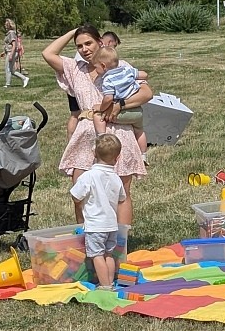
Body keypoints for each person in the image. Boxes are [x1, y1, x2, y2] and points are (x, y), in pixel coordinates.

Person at [43, 25, 150, 226]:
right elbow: (48, 53)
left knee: (121, 192)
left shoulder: (119, 65)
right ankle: (87, 239)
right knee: (79, 191)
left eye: (88, 43)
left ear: (100, 42)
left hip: (118, 133)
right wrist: (73, 31)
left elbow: (147, 94)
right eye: (79, 45)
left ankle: (120, 243)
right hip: (87, 135)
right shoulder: (74, 69)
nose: (84, 49)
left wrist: (121, 104)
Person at [69, 133, 126, 288]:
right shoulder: (116, 178)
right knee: (109, 254)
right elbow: (122, 198)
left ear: (94, 153)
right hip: (111, 225)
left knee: (96, 255)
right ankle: (110, 282)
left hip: (96, 226)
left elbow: (75, 195)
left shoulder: (89, 176)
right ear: (117, 157)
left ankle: (105, 286)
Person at [90, 45, 149, 155]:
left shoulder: (107, 80)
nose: (96, 70)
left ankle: (101, 138)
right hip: (137, 111)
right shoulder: (127, 70)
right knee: (140, 131)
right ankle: (143, 154)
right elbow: (144, 75)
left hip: (123, 113)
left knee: (98, 116)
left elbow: (108, 98)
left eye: (96, 67)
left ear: (103, 66)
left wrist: (101, 108)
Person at [2, 19, 29, 88]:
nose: (5, 25)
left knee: (8, 68)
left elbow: (14, 45)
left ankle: (8, 84)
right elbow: (8, 44)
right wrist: (4, 52)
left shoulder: (11, 33)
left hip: (12, 52)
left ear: (9, 25)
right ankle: (24, 78)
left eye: (6, 24)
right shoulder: (8, 33)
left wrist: (11, 54)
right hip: (9, 52)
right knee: (11, 70)